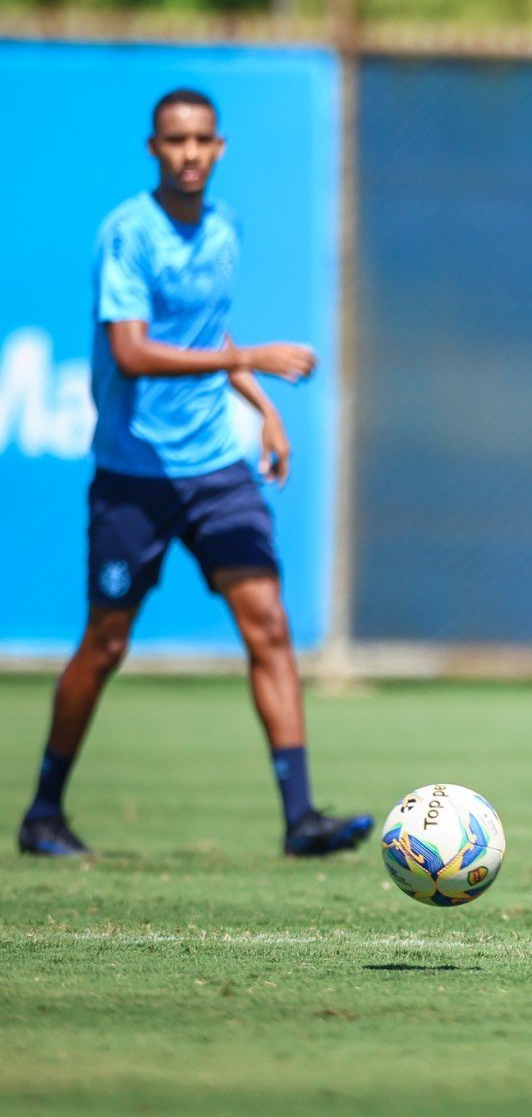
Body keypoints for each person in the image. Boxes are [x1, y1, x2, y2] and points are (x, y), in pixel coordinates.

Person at [16, 89, 373, 860]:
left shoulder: (224, 228)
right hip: (134, 474)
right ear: (154, 148)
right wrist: (248, 360)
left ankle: (300, 817)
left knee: (269, 626)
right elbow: (134, 352)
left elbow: (210, 333)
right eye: (174, 141)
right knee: (106, 644)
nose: (188, 153)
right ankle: (44, 810)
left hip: (216, 466)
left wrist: (261, 405)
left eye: (201, 140)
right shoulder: (129, 233)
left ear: (220, 149)